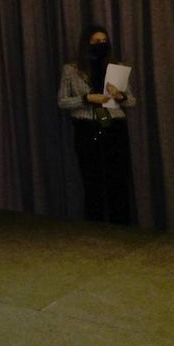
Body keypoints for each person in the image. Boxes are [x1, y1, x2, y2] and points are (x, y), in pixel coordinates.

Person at [57, 25, 135, 224]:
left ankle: (121, 229)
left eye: (104, 41)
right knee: (92, 181)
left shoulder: (116, 67)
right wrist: (87, 98)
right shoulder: (72, 70)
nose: (101, 45)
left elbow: (132, 101)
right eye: (96, 41)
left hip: (114, 127)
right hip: (87, 128)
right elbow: (62, 101)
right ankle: (95, 229)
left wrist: (119, 95)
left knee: (117, 181)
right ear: (86, 44)